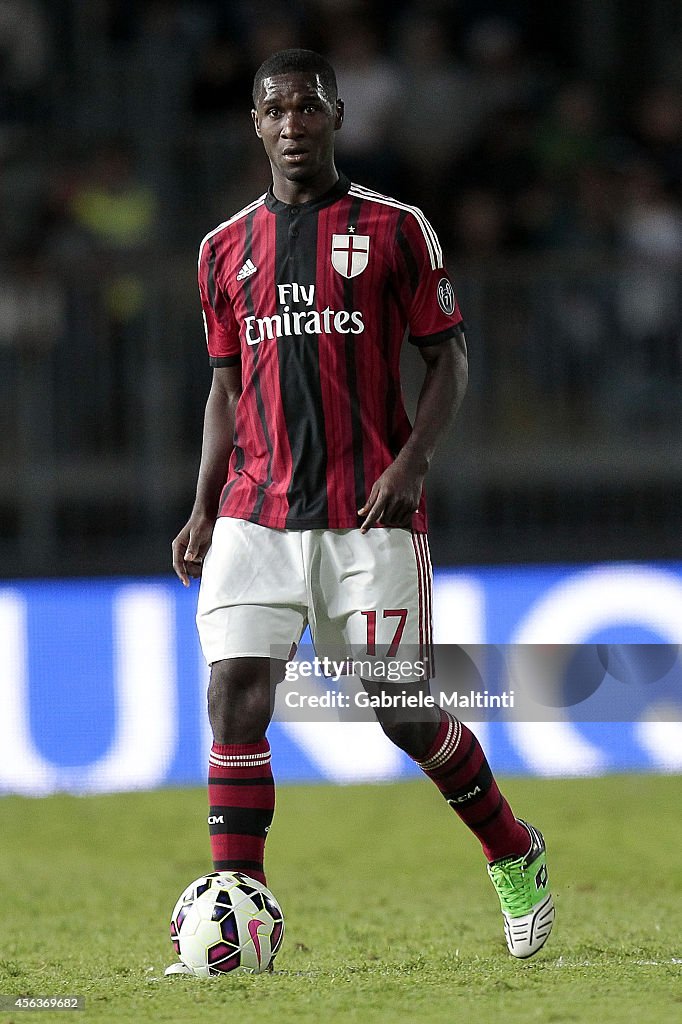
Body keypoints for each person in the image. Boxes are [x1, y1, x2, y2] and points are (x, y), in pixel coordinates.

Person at [168, 48, 554, 973]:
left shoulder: (395, 230)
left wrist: (413, 466)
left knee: (400, 711)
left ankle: (512, 849)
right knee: (234, 695)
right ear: (255, 125)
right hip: (256, 512)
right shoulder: (223, 250)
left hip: (366, 514)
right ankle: (238, 912)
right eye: (275, 110)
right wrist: (202, 504)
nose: (292, 123)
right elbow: (225, 390)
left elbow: (448, 359)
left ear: (338, 114)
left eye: (308, 106)